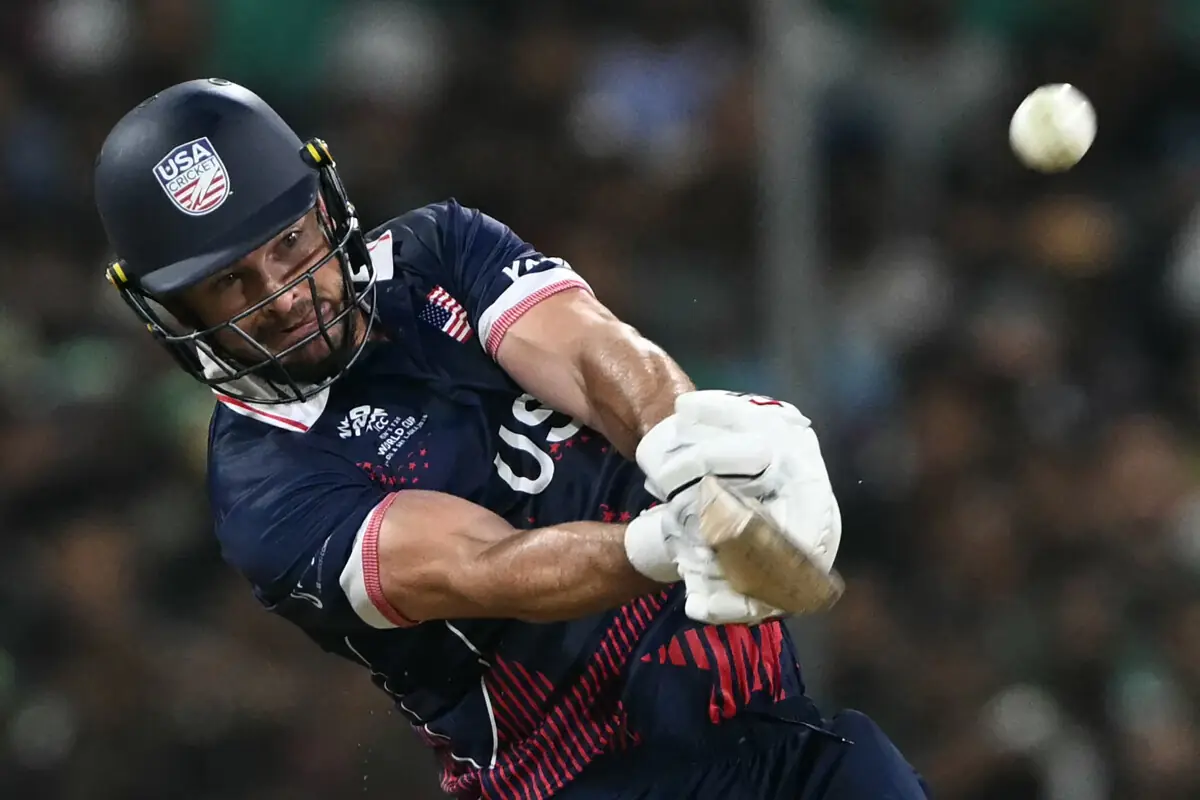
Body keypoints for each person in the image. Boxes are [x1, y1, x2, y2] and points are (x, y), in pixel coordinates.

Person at [93, 78, 929, 799]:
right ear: (174, 313)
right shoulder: (261, 491)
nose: (280, 295)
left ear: (325, 206)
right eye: (230, 282)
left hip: (772, 734)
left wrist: (699, 449)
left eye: (288, 243)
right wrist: (667, 542)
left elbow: (593, 355)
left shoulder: (436, 250)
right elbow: (483, 566)